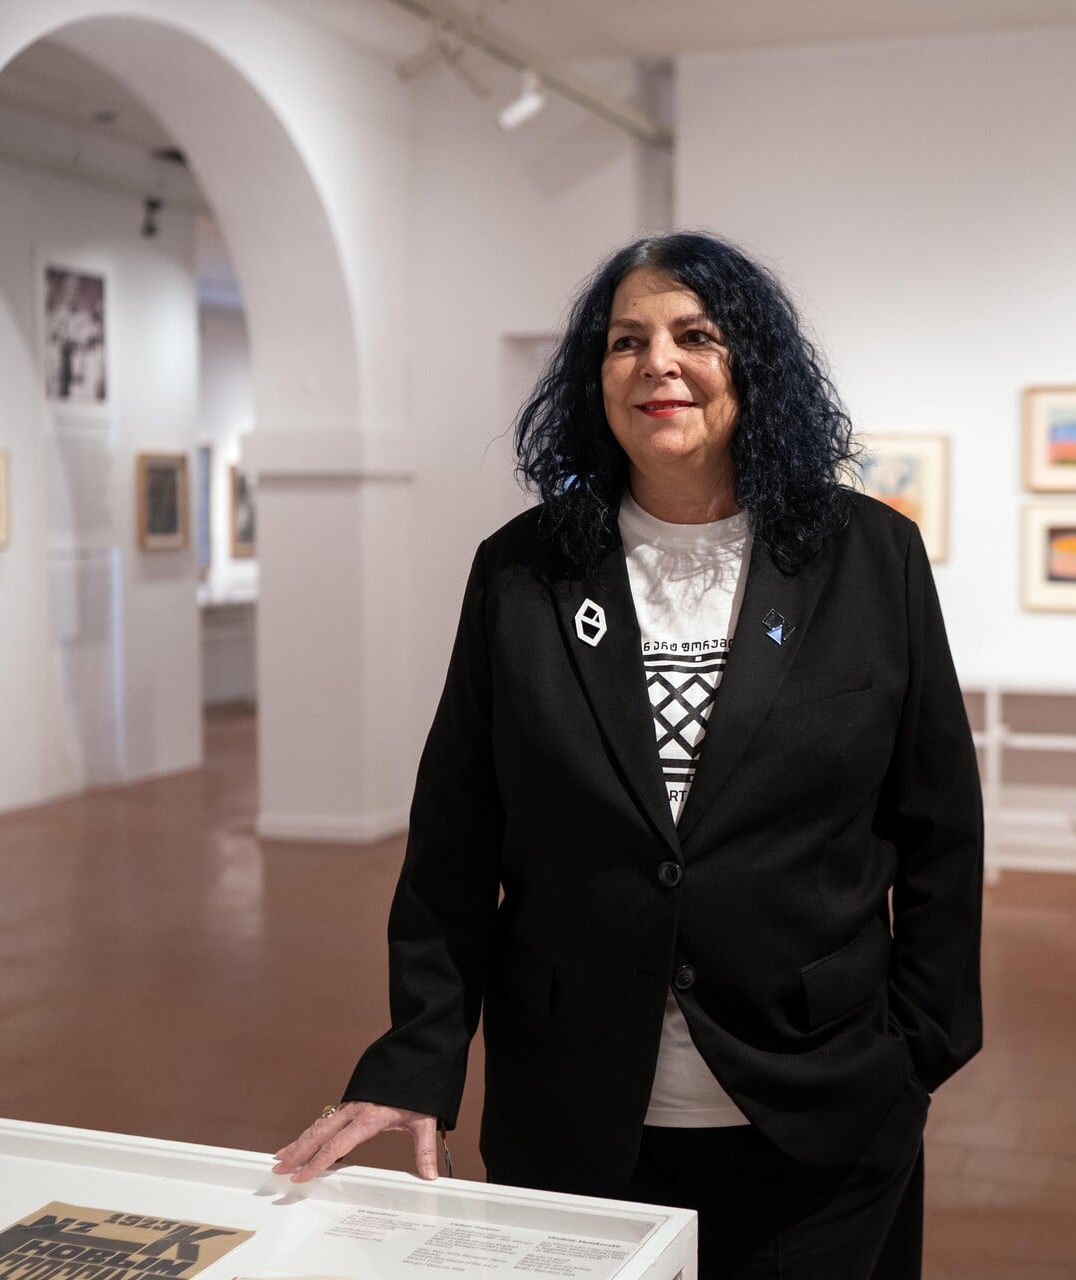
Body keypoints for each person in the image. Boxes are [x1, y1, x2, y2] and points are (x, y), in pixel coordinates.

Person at [274, 231, 983, 1278]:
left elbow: (939, 821)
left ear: (753, 363)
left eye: (696, 335)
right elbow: (457, 836)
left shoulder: (868, 556)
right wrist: (417, 1056)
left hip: (820, 1104)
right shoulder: (522, 571)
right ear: (592, 375)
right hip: (574, 1108)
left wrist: (922, 1045)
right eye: (625, 340)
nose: (659, 363)